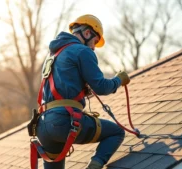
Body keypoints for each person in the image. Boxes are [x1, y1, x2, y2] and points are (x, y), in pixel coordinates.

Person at [35, 14, 130, 169]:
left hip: (44, 125)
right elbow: (101, 87)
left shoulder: (52, 55)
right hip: (64, 122)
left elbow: (62, 86)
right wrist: (119, 80)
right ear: (87, 33)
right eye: (94, 41)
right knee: (116, 132)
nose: (93, 47)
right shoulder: (82, 51)